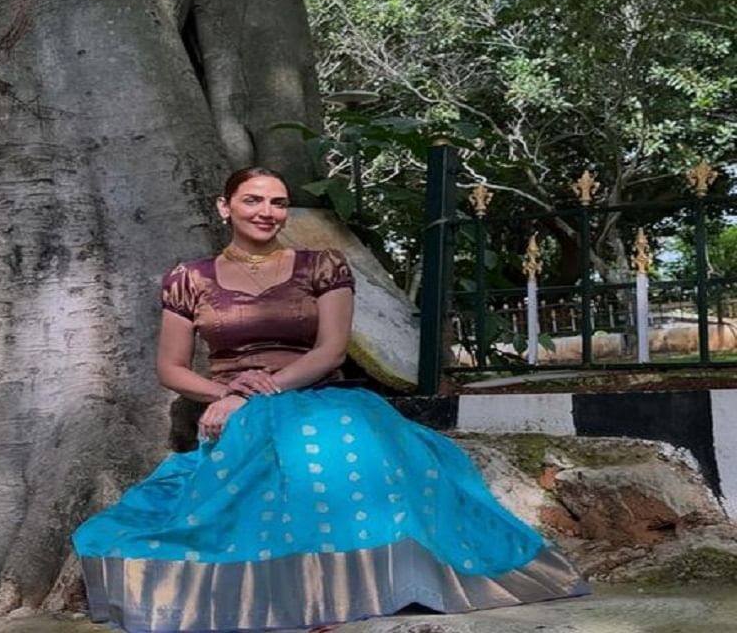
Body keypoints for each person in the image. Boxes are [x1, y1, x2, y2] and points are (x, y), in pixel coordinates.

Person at [74, 167, 588, 632]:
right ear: (223, 206)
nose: (267, 212)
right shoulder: (189, 279)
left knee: (342, 447)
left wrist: (266, 388)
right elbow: (171, 368)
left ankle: (367, 586)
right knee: (260, 458)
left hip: (317, 393)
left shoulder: (321, 265)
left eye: (278, 202)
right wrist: (230, 395)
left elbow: (330, 350)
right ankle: (284, 593)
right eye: (253, 200)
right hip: (238, 404)